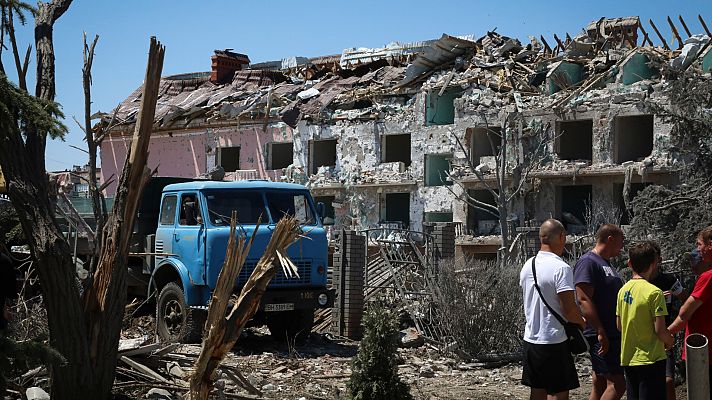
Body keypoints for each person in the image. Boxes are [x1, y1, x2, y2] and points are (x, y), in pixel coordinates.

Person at [520, 219, 585, 400]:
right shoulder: (561, 268)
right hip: (554, 340)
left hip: (531, 338)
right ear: (562, 237)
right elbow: (569, 309)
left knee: (537, 391)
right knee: (559, 392)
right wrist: (582, 322)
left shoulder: (528, 265)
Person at [574, 224, 626, 400]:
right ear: (610, 239)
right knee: (618, 384)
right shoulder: (588, 262)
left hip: (611, 331)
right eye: (621, 241)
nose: (622, 247)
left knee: (600, 381)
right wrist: (600, 330)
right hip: (601, 333)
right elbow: (583, 298)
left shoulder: (607, 264)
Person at [616, 241, 674, 400]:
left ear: (629, 263)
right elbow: (660, 330)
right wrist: (669, 341)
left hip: (628, 359)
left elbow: (619, 326)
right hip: (651, 360)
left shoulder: (622, 291)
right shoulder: (655, 293)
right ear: (654, 264)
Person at [668, 225, 712, 397]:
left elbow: (685, 312)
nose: (698, 249)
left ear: (710, 244)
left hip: (703, 350)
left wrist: (665, 334)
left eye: (699, 244)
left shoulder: (708, 277)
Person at [648, 242, 688, 400]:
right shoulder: (638, 283)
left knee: (668, 380)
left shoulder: (669, 280)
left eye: (654, 258)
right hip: (645, 336)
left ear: (659, 260)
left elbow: (686, 299)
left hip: (664, 335)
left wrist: (676, 325)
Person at [0, 239, 17, 333]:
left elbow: (11, 288)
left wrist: (8, 307)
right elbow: (11, 289)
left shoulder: (5, 261)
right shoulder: (6, 260)